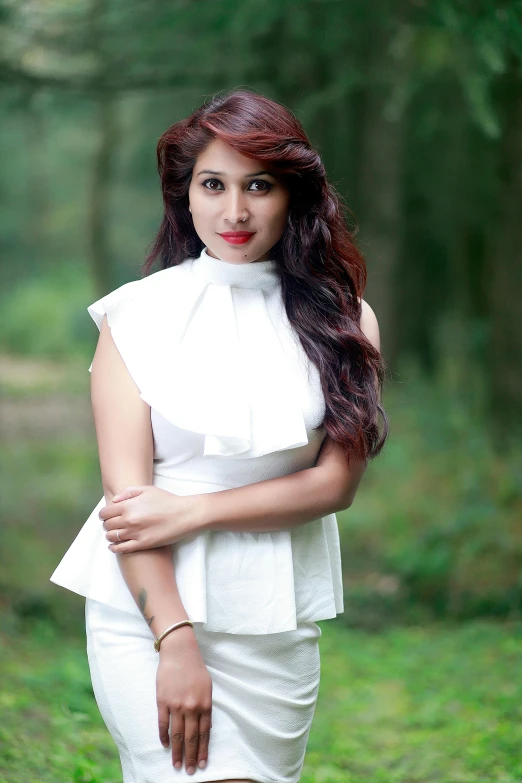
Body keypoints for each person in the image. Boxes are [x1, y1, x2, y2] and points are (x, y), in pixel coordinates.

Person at [50, 88, 388, 783]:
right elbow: (129, 508)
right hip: (148, 615)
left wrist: (195, 508)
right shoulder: (134, 318)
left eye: (258, 186)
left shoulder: (346, 320)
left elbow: (335, 485)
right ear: (185, 194)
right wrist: (174, 642)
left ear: (293, 194)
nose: (234, 211)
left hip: (274, 626)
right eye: (213, 185)